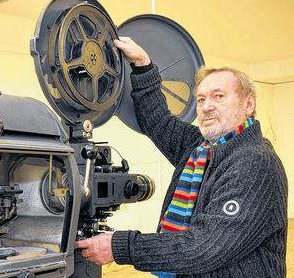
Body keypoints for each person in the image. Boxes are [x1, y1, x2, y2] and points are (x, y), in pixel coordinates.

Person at [74, 37, 288, 277]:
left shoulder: (255, 162)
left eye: (219, 96)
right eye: (201, 99)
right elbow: (158, 122)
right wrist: (143, 65)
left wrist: (120, 246)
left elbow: (206, 247)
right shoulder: (200, 147)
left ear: (248, 105)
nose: (206, 106)